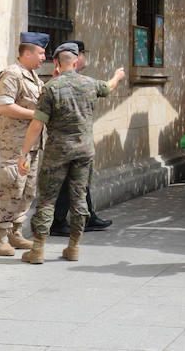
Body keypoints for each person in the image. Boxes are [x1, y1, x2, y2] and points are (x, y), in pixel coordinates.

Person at [16, 43, 125, 264]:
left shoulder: (50, 88)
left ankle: (37, 250)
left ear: (56, 63)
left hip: (57, 151)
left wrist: (23, 153)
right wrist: (117, 75)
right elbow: (109, 86)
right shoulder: (89, 84)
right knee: (79, 199)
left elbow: (37, 124)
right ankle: (74, 247)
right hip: (84, 151)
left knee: (47, 199)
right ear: (75, 63)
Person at [0, 32, 50, 256]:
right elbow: (4, 106)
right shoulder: (11, 74)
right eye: (41, 53)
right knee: (12, 187)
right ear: (27, 52)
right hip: (14, 144)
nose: (44, 57)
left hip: (32, 144)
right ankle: (0, 237)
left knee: (27, 190)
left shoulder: (33, 76)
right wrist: (35, 114)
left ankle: (16, 232)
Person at [49, 41, 115, 235]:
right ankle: (60, 221)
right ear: (75, 59)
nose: (84, 57)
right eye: (82, 53)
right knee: (70, 183)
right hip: (70, 145)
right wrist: (117, 77)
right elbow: (106, 88)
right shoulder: (79, 82)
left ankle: (85, 218)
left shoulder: (60, 81)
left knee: (78, 182)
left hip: (71, 144)